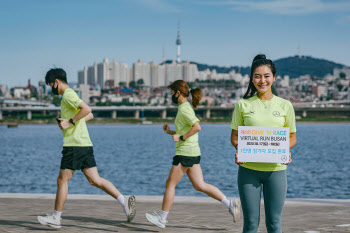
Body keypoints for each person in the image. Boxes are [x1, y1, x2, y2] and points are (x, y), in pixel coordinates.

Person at [37, 68, 136, 229]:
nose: (51, 89)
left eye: (50, 85)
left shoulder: (68, 95)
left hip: (74, 145)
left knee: (62, 180)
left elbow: (87, 110)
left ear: (56, 82)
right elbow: (88, 115)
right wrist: (71, 120)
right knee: (94, 180)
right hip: (84, 144)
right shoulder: (71, 95)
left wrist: (69, 122)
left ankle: (56, 218)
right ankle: (124, 202)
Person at [146, 80, 241, 229]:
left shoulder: (184, 108)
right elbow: (186, 129)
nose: (170, 96)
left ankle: (162, 218)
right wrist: (170, 132)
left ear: (178, 92)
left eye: (171, 93)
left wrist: (181, 137)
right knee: (199, 185)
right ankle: (231, 204)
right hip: (192, 151)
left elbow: (197, 127)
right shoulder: (185, 107)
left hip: (185, 153)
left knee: (170, 184)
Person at [230, 54, 297, 233]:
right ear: (252, 79)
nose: (262, 80)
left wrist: (285, 150)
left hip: (276, 171)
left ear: (274, 78)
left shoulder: (285, 105)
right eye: (257, 76)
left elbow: (292, 137)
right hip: (248, 171)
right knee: (250, 224)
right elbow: (235, 137)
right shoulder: (242, 105)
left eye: (266, 76)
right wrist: (239, 148)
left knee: (274, 224)